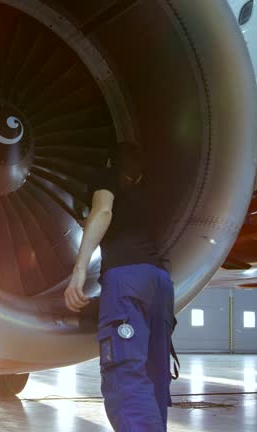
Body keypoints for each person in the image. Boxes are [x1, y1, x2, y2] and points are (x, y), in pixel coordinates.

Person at [64, 142, 176, 432]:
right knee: (155, 374)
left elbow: (102, 212)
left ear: (112, 163)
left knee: (124, 371)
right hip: (160, 283)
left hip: (127, 279)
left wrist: (78, 270)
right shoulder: (153, 191)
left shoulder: (106, 177)